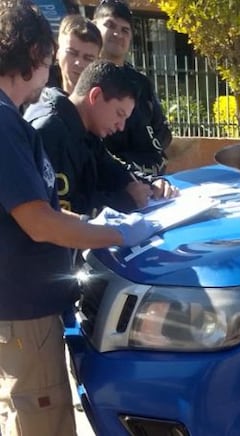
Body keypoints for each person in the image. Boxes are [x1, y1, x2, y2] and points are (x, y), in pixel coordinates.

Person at [0, 2, 158, 434]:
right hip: (23, 309)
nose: (53, 72)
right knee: (43, 420)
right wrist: (118, 234)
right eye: (52, 59)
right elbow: (40, 220)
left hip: (28, 306)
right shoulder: (7, 122)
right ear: (33, 54)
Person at [25, 54, 177, 216]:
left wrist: (151, 184)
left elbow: (111, 168)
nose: (121, 126)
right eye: (119, 114)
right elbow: (58, 212)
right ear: (95, 96)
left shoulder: (83, 126)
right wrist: (125, 200)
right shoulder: (51, 132)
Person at [92, 0, 172, 176]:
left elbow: (161, 133)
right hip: (100, 181)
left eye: (125, 30)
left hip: (149, 181)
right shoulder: (81, 78)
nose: (117, 34)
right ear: (94, 26)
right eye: (110, 25)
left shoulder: (141, 84)